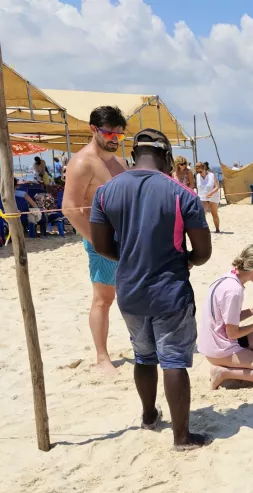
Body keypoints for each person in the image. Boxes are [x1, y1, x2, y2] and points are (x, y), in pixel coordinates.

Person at [89, 128, 213, 449]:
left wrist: (130, 259)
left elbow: (101, 245)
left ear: (133, 154)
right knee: (173, 360)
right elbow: (203, 252)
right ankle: (182, 437)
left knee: (143, 356)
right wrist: (186, 260)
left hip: (129, 290)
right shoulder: (182, 194)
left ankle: (148, 416)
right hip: (169, 290)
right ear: (167, 157)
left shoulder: (106, 192)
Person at [62, 105, 128, 375]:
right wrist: (98, 243)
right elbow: (70, 208)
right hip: (100, 239)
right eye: (110, 134)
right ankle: (102, 356)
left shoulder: (119, 162)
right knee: (104, 298)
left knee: (133, 293)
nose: (114, 139)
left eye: (120, 136)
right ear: (93, 129)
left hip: (125, 238)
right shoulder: (82, 162)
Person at [199, 245, 253, 390]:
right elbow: (232, 333)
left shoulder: (227, 277)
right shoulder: (234, 291)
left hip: (213, 341)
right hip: (220, 349)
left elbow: (226, 318)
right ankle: (224, 372)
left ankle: (244, 364)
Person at [195, 161, 221, 233]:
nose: (199, 173)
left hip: (213, 196)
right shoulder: (197, 176)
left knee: (214, 213)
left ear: (204, 168)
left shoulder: (211, 175)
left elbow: (217, 187)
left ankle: (217, 229)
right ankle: (203, 229)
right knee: (202, 213)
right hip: (202, 197)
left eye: (200, 171)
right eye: (198, 171)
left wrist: (211, 193)